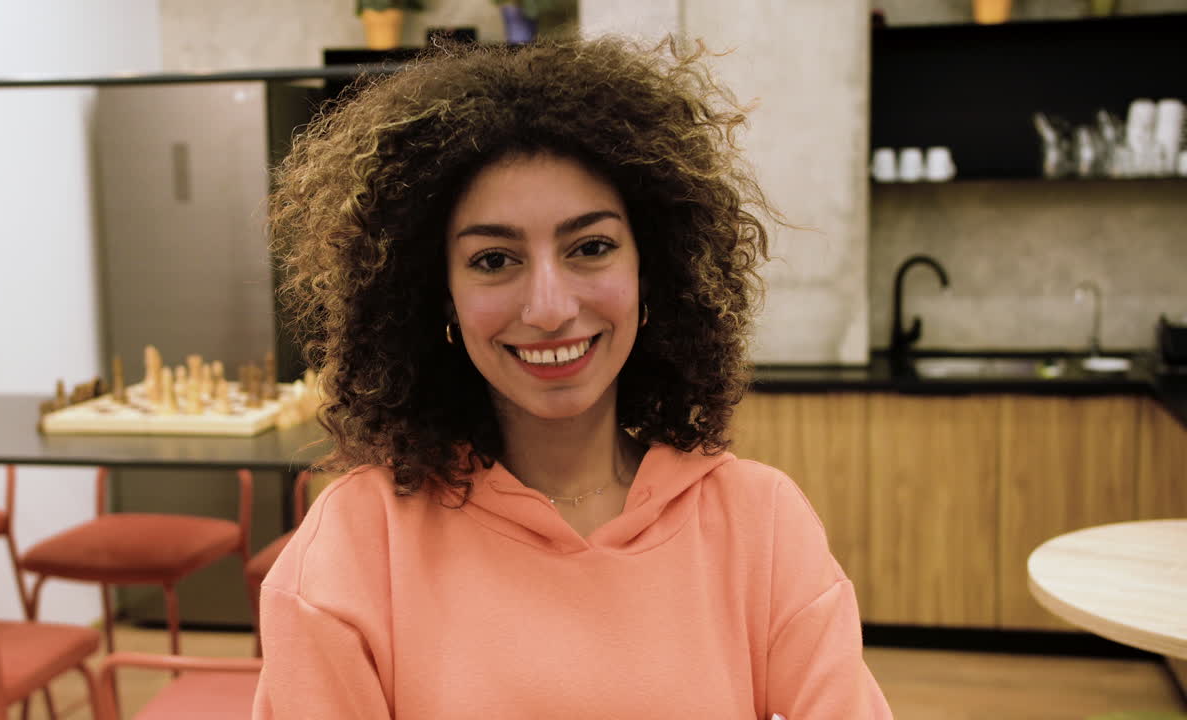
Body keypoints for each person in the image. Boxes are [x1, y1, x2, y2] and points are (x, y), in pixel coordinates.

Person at [255, 36, 892, 719]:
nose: (550, 308)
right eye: (495, 260)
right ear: (437, 295)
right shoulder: (355, 548)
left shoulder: (760, 525)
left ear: (652, 271)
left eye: (591, 247)